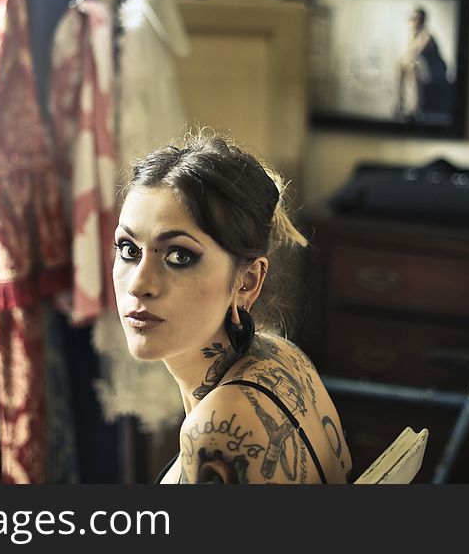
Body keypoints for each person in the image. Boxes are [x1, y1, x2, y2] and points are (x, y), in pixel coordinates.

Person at [112, 133, 353, 484]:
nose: (138, 284)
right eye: (129, 250)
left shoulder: (219, 431)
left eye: (180, 255)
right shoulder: (281, 356)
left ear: (247, 282)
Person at [395, 7, 453, 123]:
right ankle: (400, 104)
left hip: (435, 70)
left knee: (412, 67)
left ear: (422, 20)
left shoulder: (426, 36)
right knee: (402, 65)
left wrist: (405, 61)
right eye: (411, 19)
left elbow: (414, 53)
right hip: (424, 68)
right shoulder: (414, 36)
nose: (412, 21)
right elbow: (407, 57)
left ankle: (416, 109)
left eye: (416, 19)